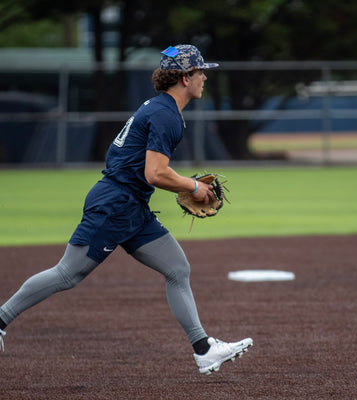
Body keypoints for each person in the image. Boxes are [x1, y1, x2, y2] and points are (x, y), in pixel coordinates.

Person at [0, 44, 253, 375]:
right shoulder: (166, 115)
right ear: (185, 77)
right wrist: (192, 186)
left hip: (131, 204)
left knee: (177, 269)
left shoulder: (160, 108)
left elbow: (148, 172)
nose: (204, 77)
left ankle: (204, 350)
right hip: (115, 204)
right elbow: (155, 173)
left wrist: (183, 183)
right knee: (67, 273)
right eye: (200, 71)